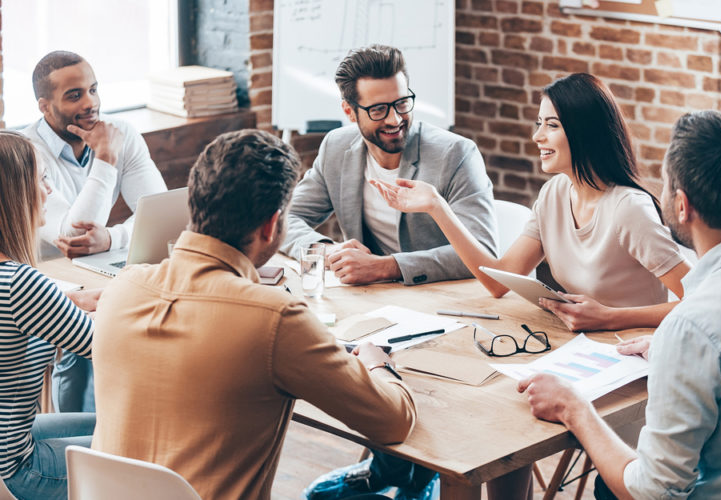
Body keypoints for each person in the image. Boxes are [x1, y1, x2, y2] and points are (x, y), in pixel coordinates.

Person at [90, 129, 416, 500]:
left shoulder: (122, 289)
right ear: (271, 225)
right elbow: (394, 422)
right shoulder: (274, 318)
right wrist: (377, 364)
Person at [520, 110, 721, 499]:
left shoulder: (692, 327)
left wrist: (573, 407)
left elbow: (654, 493)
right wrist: (679, 359)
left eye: (666, 185)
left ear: (682, 206)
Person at [373, 73, 690, 333]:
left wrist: (609, 317)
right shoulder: (554, 194)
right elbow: (498, 281)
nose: (537, 136)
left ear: (585, 134)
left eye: (551, 125)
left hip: (635, 354)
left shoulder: (629, 209)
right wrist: (437, 207)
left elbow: (698, 303)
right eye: (540, 123)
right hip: (580, 346)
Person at [22, 50, 167, 413]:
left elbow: (160, 215)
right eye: (74, 95)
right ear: (44, 106)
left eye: (93, 89)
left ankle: (128, 426)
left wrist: (113, 237)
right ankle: (78, 439)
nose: (90, 103)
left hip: (99, 273)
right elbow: (72, 237)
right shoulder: (28, 151)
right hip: (45, 285)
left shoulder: (121, 134)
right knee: (90, 336)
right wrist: (105, 158)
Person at [281, 44, 497, 286]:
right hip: (369, 299)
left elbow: (484, 253)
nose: (394, 119)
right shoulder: (336, 147)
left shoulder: (455, 154)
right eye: (379, 109)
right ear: (350, 112)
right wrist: (329, 252)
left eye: (402, 103)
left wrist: (387, 267)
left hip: (438, 296)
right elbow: (286, 218)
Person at [0, 131, 96, 500]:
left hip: (11, 438)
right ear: (15, 194)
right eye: (41, 178)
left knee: (122, 425)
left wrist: (70, 299)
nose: (49, 191)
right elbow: (107, 347)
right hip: (17, 466)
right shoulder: (20, 284)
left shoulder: (17, 284)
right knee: (153, 444)